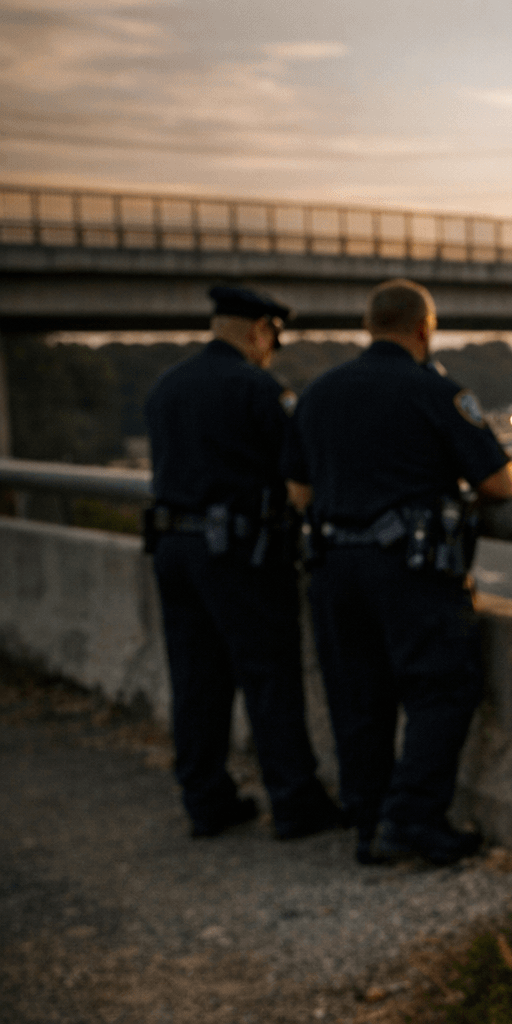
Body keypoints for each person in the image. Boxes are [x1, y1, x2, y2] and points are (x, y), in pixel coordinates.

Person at [282, 278, 512, 866]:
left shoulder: (319, 393)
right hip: (410, 571)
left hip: (332, 568)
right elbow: (498, 482)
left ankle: (368, 821)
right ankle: (413, 819)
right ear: (424, 328)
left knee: (356, 696)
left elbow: (298, 493)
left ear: (369, 326)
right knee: (443, 686)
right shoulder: (435, 390)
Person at [143, 284, 342, 840]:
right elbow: (298, 477)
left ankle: (205, 799)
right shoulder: (258, 389)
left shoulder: (166, 386)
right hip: (239, 553)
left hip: (173, 549)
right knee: (268, 676)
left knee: (195, 679)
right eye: (273, 337)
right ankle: (295, 802)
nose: (272, 350)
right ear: (259, 330)